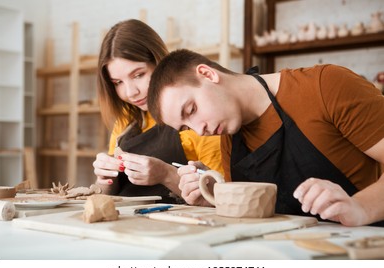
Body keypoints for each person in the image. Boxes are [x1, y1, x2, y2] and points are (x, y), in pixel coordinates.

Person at [147, 49, 384, 226]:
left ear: (207, 74)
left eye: (191, 110)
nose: (199, 130)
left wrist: (361, 207)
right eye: (186, 128)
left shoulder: (326, 86)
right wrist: (213, 197)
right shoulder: (230, 138)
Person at [93, 21, 223, 204]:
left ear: (159, 62)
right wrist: (104, 177)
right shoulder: (126, 119)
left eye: (138, 75)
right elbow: (107, 195)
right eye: (118, 82)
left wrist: (165, 174)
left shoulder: (198, 117)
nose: (131, 92)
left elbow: (223, 197)